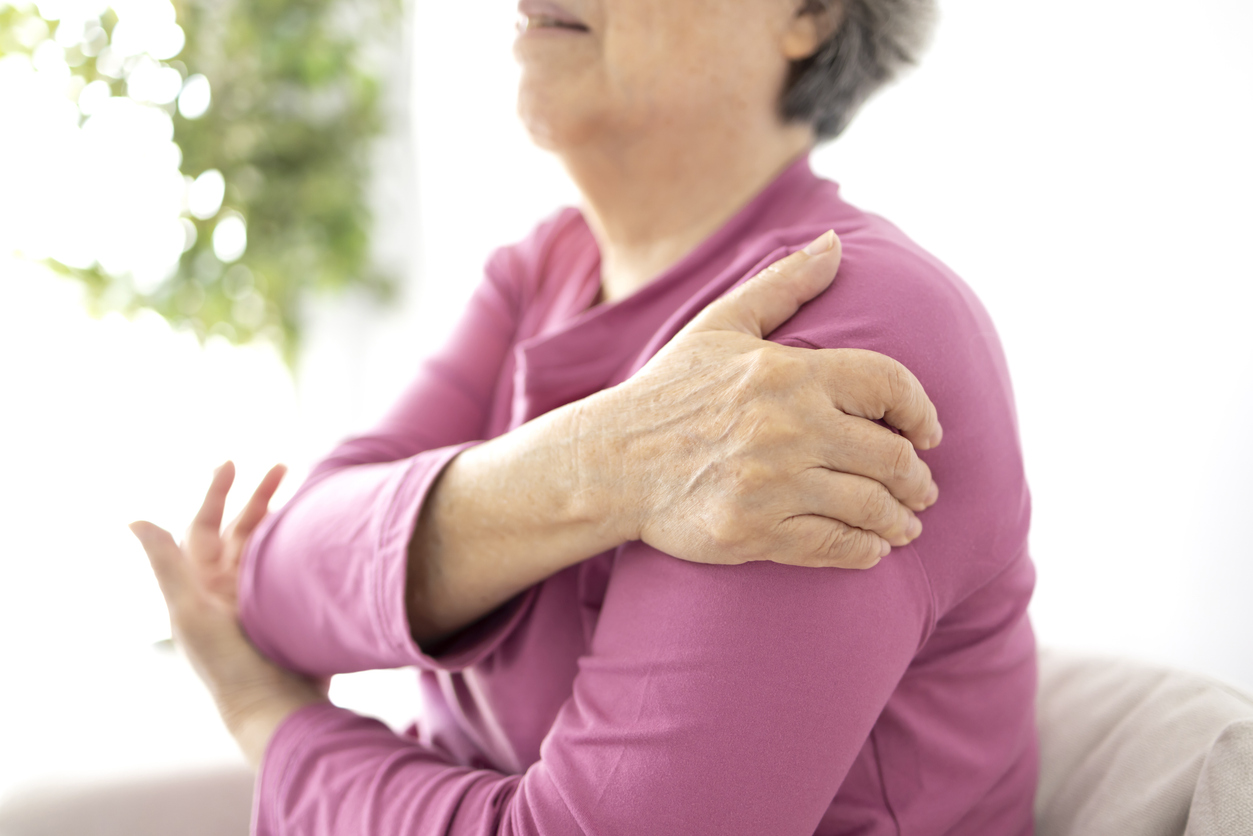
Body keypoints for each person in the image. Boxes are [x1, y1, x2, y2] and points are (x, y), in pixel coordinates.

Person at [130, 0, 1038, 833]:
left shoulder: (846, 330)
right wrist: (603, 460)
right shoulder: (541, 270)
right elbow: (285, 582)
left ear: (806, 12)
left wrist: (272, 724)